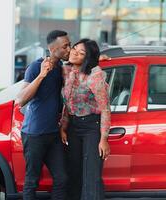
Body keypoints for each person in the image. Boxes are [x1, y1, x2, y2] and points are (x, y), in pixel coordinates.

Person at [16, 30, 71, 200]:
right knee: (32, 181)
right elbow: (21, 99)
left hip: (53, 134)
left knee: (62, 178)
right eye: (65, 46)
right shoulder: (35, 67)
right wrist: (41, 75)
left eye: (69, 45)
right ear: (52, 49)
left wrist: (97, 61)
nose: (69, 49)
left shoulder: (60, 68)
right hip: (34, 134)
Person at [60, 38, 111, 200]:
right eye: (74, 48)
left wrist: (103, 139)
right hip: (73, 126)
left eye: (81, 53)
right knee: (74, 172)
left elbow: (105, 109)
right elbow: (68, 104)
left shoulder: (95, 77)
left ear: (86, 58)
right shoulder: (67, 71)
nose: (74, 53)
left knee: (91, 176)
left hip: (91, 126)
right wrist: (63, 126)